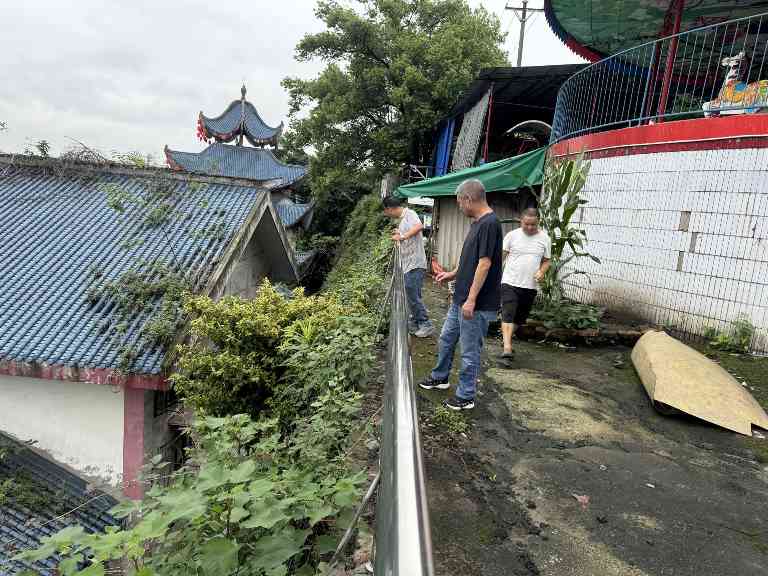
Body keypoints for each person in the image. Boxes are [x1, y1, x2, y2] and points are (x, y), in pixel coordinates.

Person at [418, 179, 502, 411]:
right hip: (461, 298)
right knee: (446, 339)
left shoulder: (489, 224)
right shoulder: (477, 223)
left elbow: (485, 264)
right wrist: (452, 274)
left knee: (469, 350)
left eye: (459, 203)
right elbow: (470, 259)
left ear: (468, 199)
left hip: (476, 303)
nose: (459, 207)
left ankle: (466, 396)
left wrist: (472, 299)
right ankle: (440, 377)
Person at [499, 207, 551, 368]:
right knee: (508, 313)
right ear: (521, 221)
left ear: (538, 222)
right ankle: (507, 348)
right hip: (510, 281)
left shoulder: (545, 238)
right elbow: (501, 256)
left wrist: (541, 272)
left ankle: (506, 338)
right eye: (526, 224)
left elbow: (547, 261)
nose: (529, 227)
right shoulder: (512, 236)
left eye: (533, 224)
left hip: (530, 285)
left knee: (519, 319)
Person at [383, 196, 433, 338]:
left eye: (386, 211)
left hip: (415, 263)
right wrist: (399, 233)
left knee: (413, 295)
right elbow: (408, 233)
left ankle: (425, 324)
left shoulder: (410, 213)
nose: (387, 214)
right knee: (412, 295)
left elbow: (419, 226)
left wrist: (402, 237)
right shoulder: (403, 219)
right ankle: (416, 322)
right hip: (409, 264)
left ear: (390, 209)